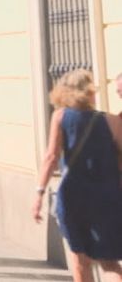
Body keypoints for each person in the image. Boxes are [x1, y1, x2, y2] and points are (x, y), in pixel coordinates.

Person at [33, 69, 122, 282]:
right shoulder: (112, 121)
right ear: (90, 92)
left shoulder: (60, 117)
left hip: (74, 196)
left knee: (80, 261)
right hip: (107, 196)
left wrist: (39, 193)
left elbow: (51, 157)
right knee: (108, 261)